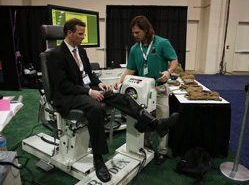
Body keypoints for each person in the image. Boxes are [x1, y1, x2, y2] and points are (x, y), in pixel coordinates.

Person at [48, 18, 179, 183]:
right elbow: (63, 85)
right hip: (70, 95)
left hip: (87, 90)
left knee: (121, 97)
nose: (83, 37)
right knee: (97, 109)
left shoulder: (80, 51)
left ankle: (154, 123)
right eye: (80, 34)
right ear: (69, 33)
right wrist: (89, 91)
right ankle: (98, 159)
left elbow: (88, 74)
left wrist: (99, 84)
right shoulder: (56, 55)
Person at [114, 16, 179, 165]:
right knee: (146, 119)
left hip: (160, 89)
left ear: (146, 30)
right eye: (133, 33)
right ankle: (148, 146)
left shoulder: (162, 43)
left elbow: (174, 60)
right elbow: (130, 68)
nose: (134, 35)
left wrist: (169, 72)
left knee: (163, 120)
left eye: (137, 32)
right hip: (144, 91)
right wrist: (120, 80)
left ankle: (162, 151)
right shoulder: (134, 49)